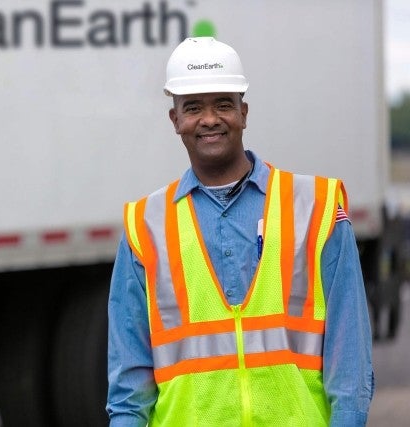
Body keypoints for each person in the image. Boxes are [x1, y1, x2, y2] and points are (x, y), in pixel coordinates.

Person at [106, 37, 374, 426]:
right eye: (193, 107)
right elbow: (129, 386)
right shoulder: (145, 224)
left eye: (224, 104)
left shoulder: (316, 206)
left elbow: (349, 358)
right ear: (175, 119)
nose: (210, 119)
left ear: (244, 113)